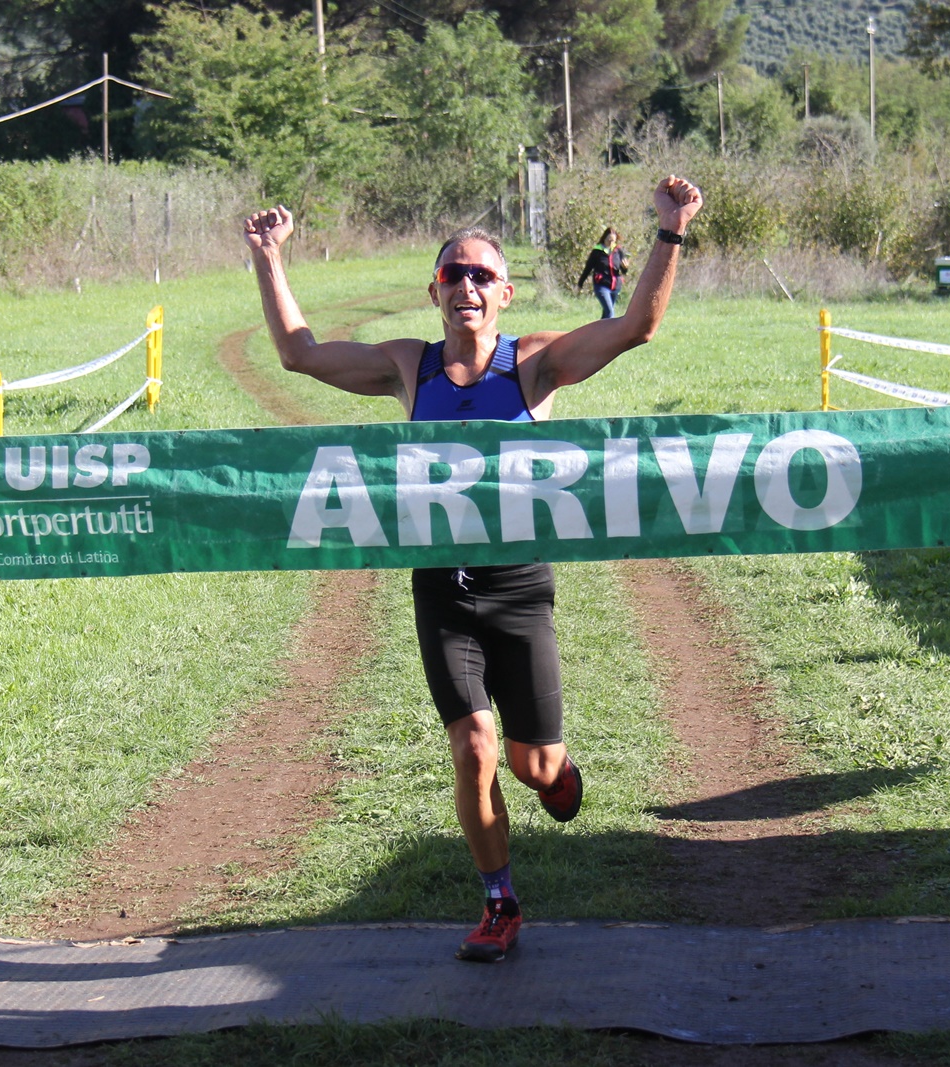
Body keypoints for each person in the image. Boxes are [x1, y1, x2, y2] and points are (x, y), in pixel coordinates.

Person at [243, 174, 702, 963]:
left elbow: (635, 328)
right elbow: (299, 354)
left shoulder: (533, 366)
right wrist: (267, 257)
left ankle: (555, 772)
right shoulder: (406, 366)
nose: (467, 285)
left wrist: (669, 231)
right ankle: (500, 901)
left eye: (482, 274)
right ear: (434, 290)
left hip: (521, 590)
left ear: (506, 293)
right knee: (474, 748)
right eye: (453, 273)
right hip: (443, 591)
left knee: (533, 764)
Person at [576, 228, 628, 319]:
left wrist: (625, 268)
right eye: (609, 240)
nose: (611, 242)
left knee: (606, 315)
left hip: (615, 286)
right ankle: (610, 333)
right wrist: (580, 284)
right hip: (601, 285)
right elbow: (588, 269)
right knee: (610, 312)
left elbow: (623, 271)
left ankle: (598, 333)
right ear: (604, 238)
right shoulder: (597, 251)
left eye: (613, 240)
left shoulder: (618, 251)